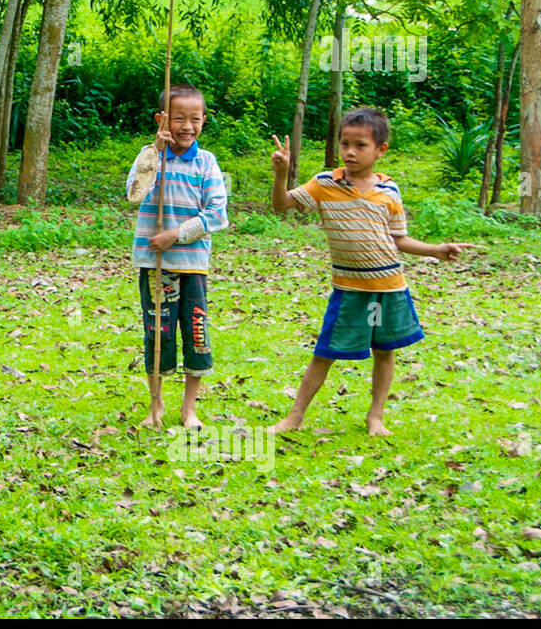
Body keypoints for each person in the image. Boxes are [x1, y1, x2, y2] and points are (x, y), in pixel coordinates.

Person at [270, 107, 474, 436]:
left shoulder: (389, 193)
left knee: (384, 352)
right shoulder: (324, 184)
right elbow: (282, 205)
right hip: (349, 290)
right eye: (344, 143)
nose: (350, 151)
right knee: (324, 353)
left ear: (381, 149)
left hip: (389, 289)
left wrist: (436, 251)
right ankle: (295, 417)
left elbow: (400, 240)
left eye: (360, 145)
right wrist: (281, 173)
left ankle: (375, 415)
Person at [127, 85, 229, 430]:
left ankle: (190, 409)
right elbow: (134, 193)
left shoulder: (206, 162)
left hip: (192, 264)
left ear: (203, 121)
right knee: (158, 333)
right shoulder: (149, 157)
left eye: (195, 119)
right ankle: (155, 406)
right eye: (179, 118)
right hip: (155, 265)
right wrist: (156, 151)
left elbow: (218, 214)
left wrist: (176, 234)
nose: (187, 126)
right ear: (163, 119)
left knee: (196, 332)